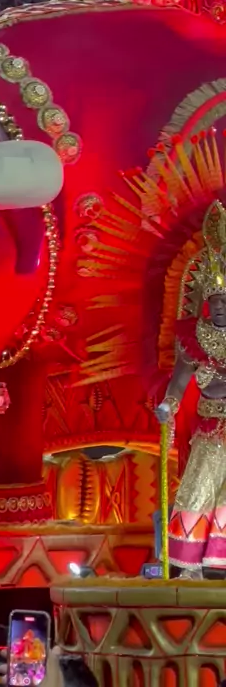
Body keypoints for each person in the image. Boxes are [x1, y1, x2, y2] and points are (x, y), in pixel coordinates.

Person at [156, 200, 226, 576]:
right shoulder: (194, 337)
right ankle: (189, 563)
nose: (221, 307)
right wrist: (168, 405)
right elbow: (179, 381)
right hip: (209, 428)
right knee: (197, 489)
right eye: (215, 302)